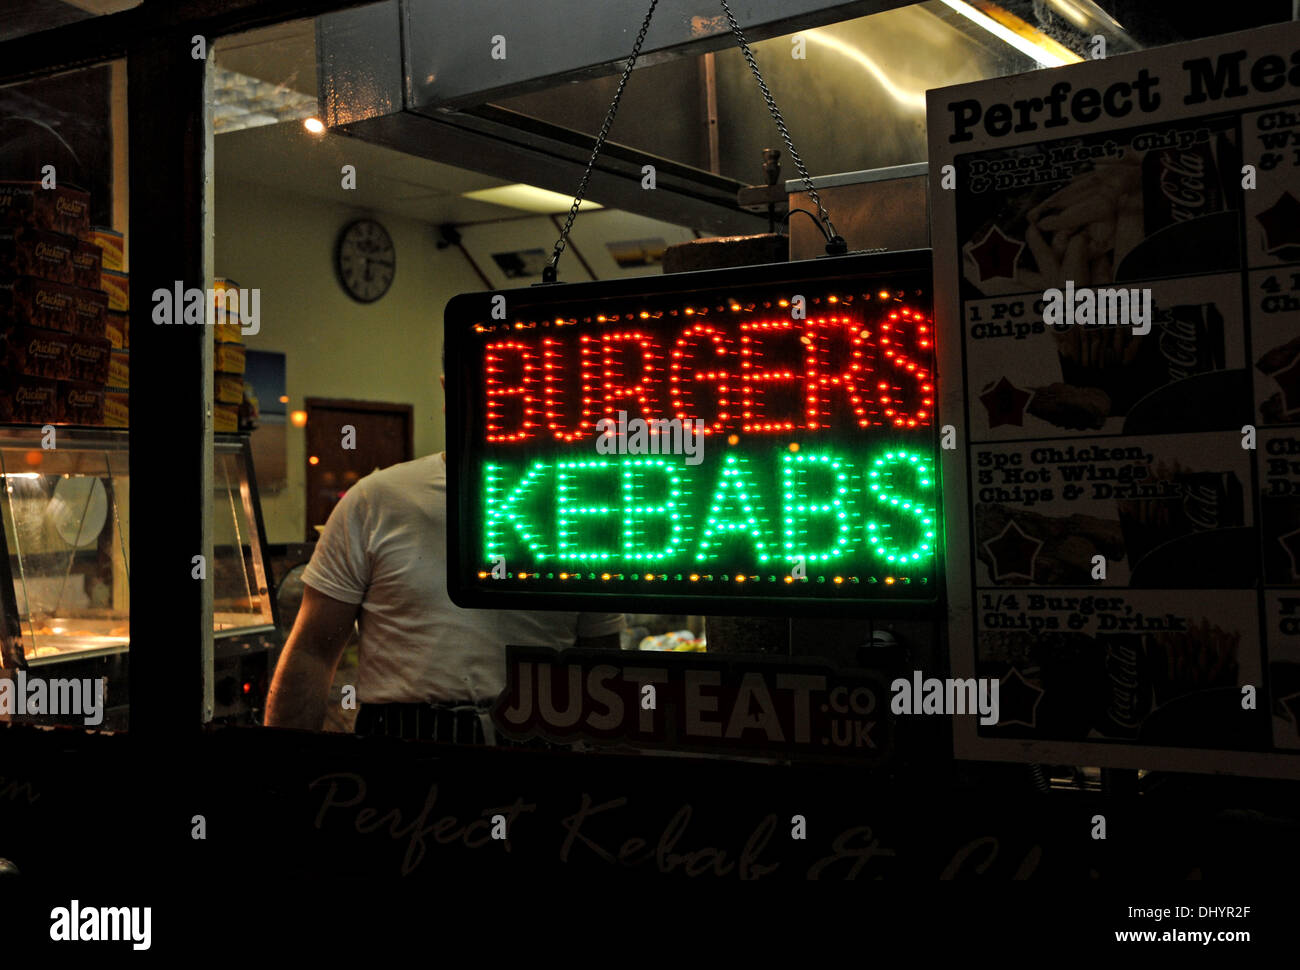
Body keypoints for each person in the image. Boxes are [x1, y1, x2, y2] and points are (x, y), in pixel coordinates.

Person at [264, 346, 624, 743]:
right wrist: (286, 776)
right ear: (447, 388)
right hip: (405, 739)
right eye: (489, 381)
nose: (506, 397)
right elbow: (312, 653)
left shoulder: (585, 507)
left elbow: (601, 663)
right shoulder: (376, 501)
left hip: (538, 734)